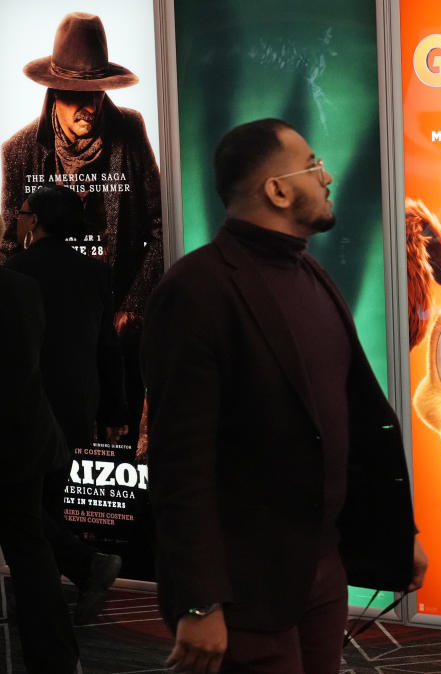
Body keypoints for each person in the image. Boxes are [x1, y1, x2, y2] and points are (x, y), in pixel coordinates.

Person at [141, 118, 427, 673]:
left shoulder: (313, 276)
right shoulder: (195, 291)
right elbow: (180, 463)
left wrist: (400, 536)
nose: (327, 176)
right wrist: (200, 600)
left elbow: (357, 419)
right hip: (244, 587)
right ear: (276, 190)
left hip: (320, 571)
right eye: (313, 164)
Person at [1, 11, 163, 452]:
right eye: (76, 95)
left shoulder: (129, 130)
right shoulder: (18, 151)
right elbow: (8, 245)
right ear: (54, 93)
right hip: (47, 337)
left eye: (96, 93)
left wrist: (130, 307)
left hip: (118, 324)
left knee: (117, 452)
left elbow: (159, 221)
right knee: (46, 452)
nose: (89, 106)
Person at [5, 184, 127, 625]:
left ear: (33, 220)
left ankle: (70, 575)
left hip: (28, 404)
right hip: (77, 403)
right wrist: (114, 411)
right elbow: (106, 346)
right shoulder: (93, 272)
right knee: (46, 504)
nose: (16, 219)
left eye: (20, 212)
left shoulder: (16, 270)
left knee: (23, 506)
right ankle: (49, 590)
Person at [0, 228, 78, 671]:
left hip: (22, 439)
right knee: (31, 554)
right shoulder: (23, 288)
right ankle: (55, 660)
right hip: (23, 439)